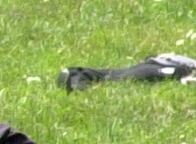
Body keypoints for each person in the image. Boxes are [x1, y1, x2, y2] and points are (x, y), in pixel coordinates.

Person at [59, 52, 196, 90]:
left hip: (168, 64)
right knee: (124, 77)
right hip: (171, 66)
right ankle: (78, 74)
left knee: (117, 75)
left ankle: (78, 74)